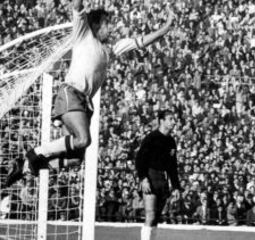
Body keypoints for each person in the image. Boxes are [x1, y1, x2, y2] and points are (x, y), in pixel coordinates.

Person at [6, 0, 176, 186]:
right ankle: (34, 153)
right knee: (83, 139)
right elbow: (77, 7)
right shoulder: (84, 34)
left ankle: (25, 169)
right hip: (71, 93)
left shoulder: (110, 49)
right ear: (95, 25)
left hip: (84, 102)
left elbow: (140, 42)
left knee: (75, 160)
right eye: (107, 23)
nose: (111, 28)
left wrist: (166, 28)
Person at [135, 110, 181, 240]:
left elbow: (173, 166)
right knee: (150, 215)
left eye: (174, 119)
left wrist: (176, 186)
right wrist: (143, 179)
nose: (174, 122)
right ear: (162, 121)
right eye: (171, 119)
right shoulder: (151, 138)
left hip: (163, 179)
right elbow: (139, 159)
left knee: (156, 217)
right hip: (150, 176)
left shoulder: (171, 141)